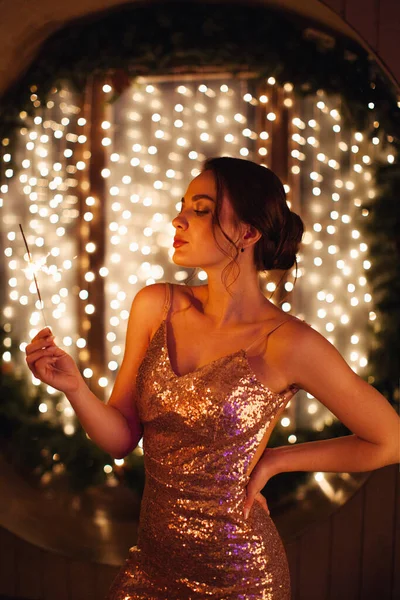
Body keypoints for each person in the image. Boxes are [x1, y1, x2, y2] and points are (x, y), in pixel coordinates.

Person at [25, 157, 399, 599]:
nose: (177, 218)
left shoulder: (288, 344)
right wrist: (75, 388)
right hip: (151, 563)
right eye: (184, 205)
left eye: (200, 209)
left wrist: (276, 461)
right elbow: (122, 437)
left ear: (247, 233)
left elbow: (389, 439)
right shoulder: (155, 306)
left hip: (239, 576)